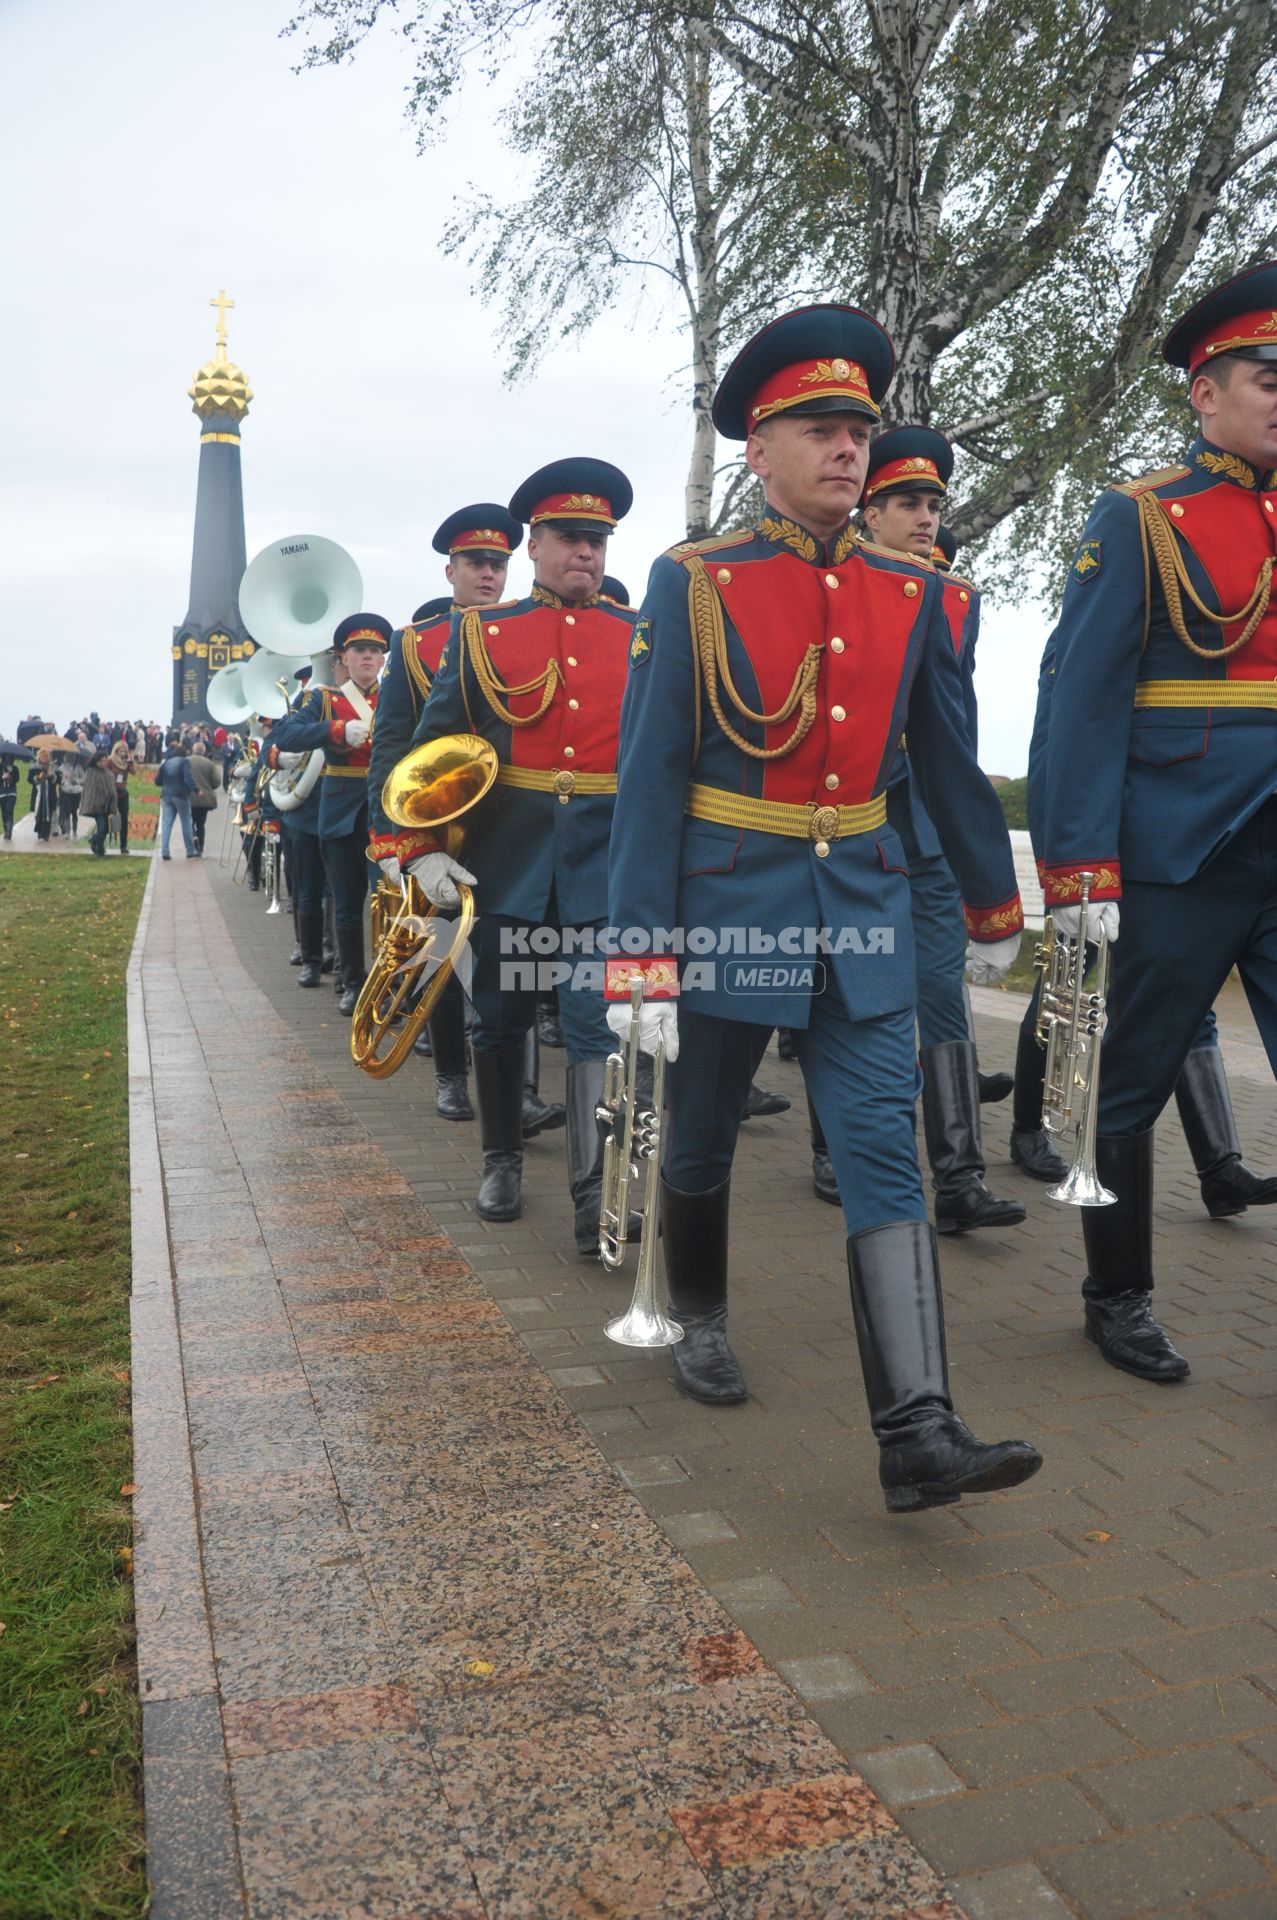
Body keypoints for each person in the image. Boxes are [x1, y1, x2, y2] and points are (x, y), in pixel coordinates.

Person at [607, 303, 1041, 1513]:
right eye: (816, 428)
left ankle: (917, 1433)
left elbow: (944, 763)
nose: (846, 449)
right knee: (700, 1137)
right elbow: (648, 781)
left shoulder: (909, 590)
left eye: (855, 428)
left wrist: (995, 906)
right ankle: (696, 1314)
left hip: (864, 903)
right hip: (726, 904)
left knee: (878, 1152)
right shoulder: (693, 583)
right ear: (758, 447)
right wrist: (636, 957)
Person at [1036, 261, 1277, 1384]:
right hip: (1181, 848)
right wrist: (1076, 867)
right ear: (1204, 392)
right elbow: (1077, 700)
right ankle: (1113, 1295)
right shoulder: (1140, 517)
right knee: (1124, 1083)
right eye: (1264, 374)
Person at [400, 459, 639, 1252]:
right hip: (505, 861)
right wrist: (420, 848)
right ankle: (501, 1158)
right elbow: (433, 752)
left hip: (606, 863)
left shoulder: (640, 638)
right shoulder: (481, 633)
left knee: (593, 1024)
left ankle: (591, 1194)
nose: (587, 555)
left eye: (598, 541)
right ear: (532, 545)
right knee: (498, 1023)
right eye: (571, 539)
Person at [848, 426, 1023, 1232]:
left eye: (931, 504)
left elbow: (956, 721)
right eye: (906, 504)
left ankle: (957, 1181)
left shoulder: (958, 599)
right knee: (846, 994)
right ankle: (831, 1146)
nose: (924, 518)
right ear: (866, 512)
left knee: (942, 1005)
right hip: (853, 823)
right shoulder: (839, 586)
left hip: (931, 825)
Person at [370, 503, 563, 1134]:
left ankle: (521, 1094)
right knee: (444, 958)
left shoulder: (526, 630)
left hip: (508, 828)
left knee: (515, 972)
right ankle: (451, 1076)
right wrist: (394, 841)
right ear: (450, 569)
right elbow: (394, 747)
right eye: (476, 563)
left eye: (498, 563)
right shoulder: (416, 643)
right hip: (439, 832)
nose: (489, 574)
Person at [273, 614, 389, 1015]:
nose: (368, 658)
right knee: (345, 901)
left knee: (385, 902)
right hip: (340, 809)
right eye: (359, 651)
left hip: (384, 810)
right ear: (344, 657)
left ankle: (388, 984)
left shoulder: (394, 696)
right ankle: (352, 982)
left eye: (375, 651)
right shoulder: (324, 699)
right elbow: (285, 735)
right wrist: (336, 732)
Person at [155, 741, 198, 860]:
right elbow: (187, 778)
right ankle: (190, 850)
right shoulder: (184, 762)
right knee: (186, 822)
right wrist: (196, 789)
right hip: (181, 795)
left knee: (167, 823)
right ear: (185, 753)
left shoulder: (166, 763)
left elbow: (157, 781)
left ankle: (165, 851)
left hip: (166, 795)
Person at [80, 751, 120, 857]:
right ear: (96, 761)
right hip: (96, 806)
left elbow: (112, 788)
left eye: (104, 760)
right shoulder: (91, 773)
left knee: (106, 829)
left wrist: (112, 802)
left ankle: (94, 841)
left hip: (108, 806)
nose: (103, 763)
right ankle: (100, 850)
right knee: (102, 828)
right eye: (101, 761)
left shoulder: (108, 773)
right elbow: (91, 790)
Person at [187, 737, 220, 853]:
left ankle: (193, 835)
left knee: (188, 821)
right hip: (205, 799)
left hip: (189, 798)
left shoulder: (186, 761)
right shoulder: (209, 763)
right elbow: (217, 781)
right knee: (201, 824)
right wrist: (208, 787)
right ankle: (200, 846)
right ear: (204, 751)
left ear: (193, 749)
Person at [105, 739, 134, 853]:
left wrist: (130, 761)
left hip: (123, 792)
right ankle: (99, 840)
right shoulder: (110, 760)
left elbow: (133, 772)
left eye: (125, 751)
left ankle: (123, 845)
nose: (123, 753)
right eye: (121, 751)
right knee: (110, 818)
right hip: (112, 792)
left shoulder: (125, 762)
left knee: (124, 819)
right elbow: (104, 773)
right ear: (116, 750)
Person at [27, 751, 58, 841]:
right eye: (43, 756)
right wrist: (38, 778)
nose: (45, 758)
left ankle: (46, 834)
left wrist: (51, 775)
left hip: (50, 795)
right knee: (39, 814)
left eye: (46, 756)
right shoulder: (34, 768)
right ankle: (40, 832)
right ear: (39, 757)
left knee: (49, 814)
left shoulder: (53, 767)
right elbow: (30, 780)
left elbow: (57, 780)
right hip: (39, 795)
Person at [57, 753, 85, 839]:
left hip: (76, 792)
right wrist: (63, 781)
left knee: (74, 811)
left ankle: (75, 832)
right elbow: (59, 778)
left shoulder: (79, 767)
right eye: (69, 756)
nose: (71, 758)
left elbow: (83, 778)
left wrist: (76, 781)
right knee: (67, 811)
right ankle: (67, 832)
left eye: (72, 756)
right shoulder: (62, 767)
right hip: (66, 791)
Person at [0, 755, 18, 840]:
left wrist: (11, 775)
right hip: (2, 793)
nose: (7, 759)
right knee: (4, 813)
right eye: (5, 758)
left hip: (11, 792)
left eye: (9, 758)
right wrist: (2, 777)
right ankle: (6, 829)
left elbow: (17, 779)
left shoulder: (15, 768)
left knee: (9, 811)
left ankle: (9, 832)